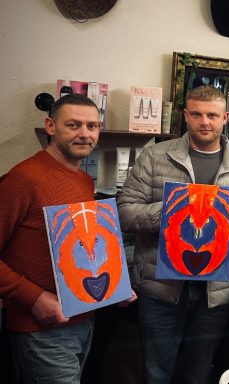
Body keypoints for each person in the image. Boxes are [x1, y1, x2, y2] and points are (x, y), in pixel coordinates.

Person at [117, 85, 229, 383]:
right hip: (161, 289)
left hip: (214, 295)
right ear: (186, 115)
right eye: (197, 114)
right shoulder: (154, 157)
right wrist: (173, 210)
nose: (205, 122)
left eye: (212, 115)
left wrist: (225, 211)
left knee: (198, 374)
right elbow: (124, 213)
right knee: (155, 373)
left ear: (225, 117)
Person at [0, 94, 135, 383]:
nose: (85, 134)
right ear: (50, 126)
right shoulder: (23, 180)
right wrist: (33, 297)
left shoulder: (83, 180)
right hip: (41, 331)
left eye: (92, 126)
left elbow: (81, 246)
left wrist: (116, 286)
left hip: (84, 321)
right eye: (73, 125)